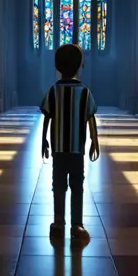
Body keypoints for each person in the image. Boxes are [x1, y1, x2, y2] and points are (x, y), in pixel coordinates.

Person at [40, 43, 100, 244]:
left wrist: (44, 141)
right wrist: (94, 141)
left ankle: (58, 223)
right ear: (79, 65)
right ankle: (77, 224)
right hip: (77, 150)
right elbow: (91, 118)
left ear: (57, 66)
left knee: (58, 185)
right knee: (77, 185)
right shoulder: (85, 92)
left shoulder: (53, 91)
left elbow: (47, 117)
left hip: (58, 149)